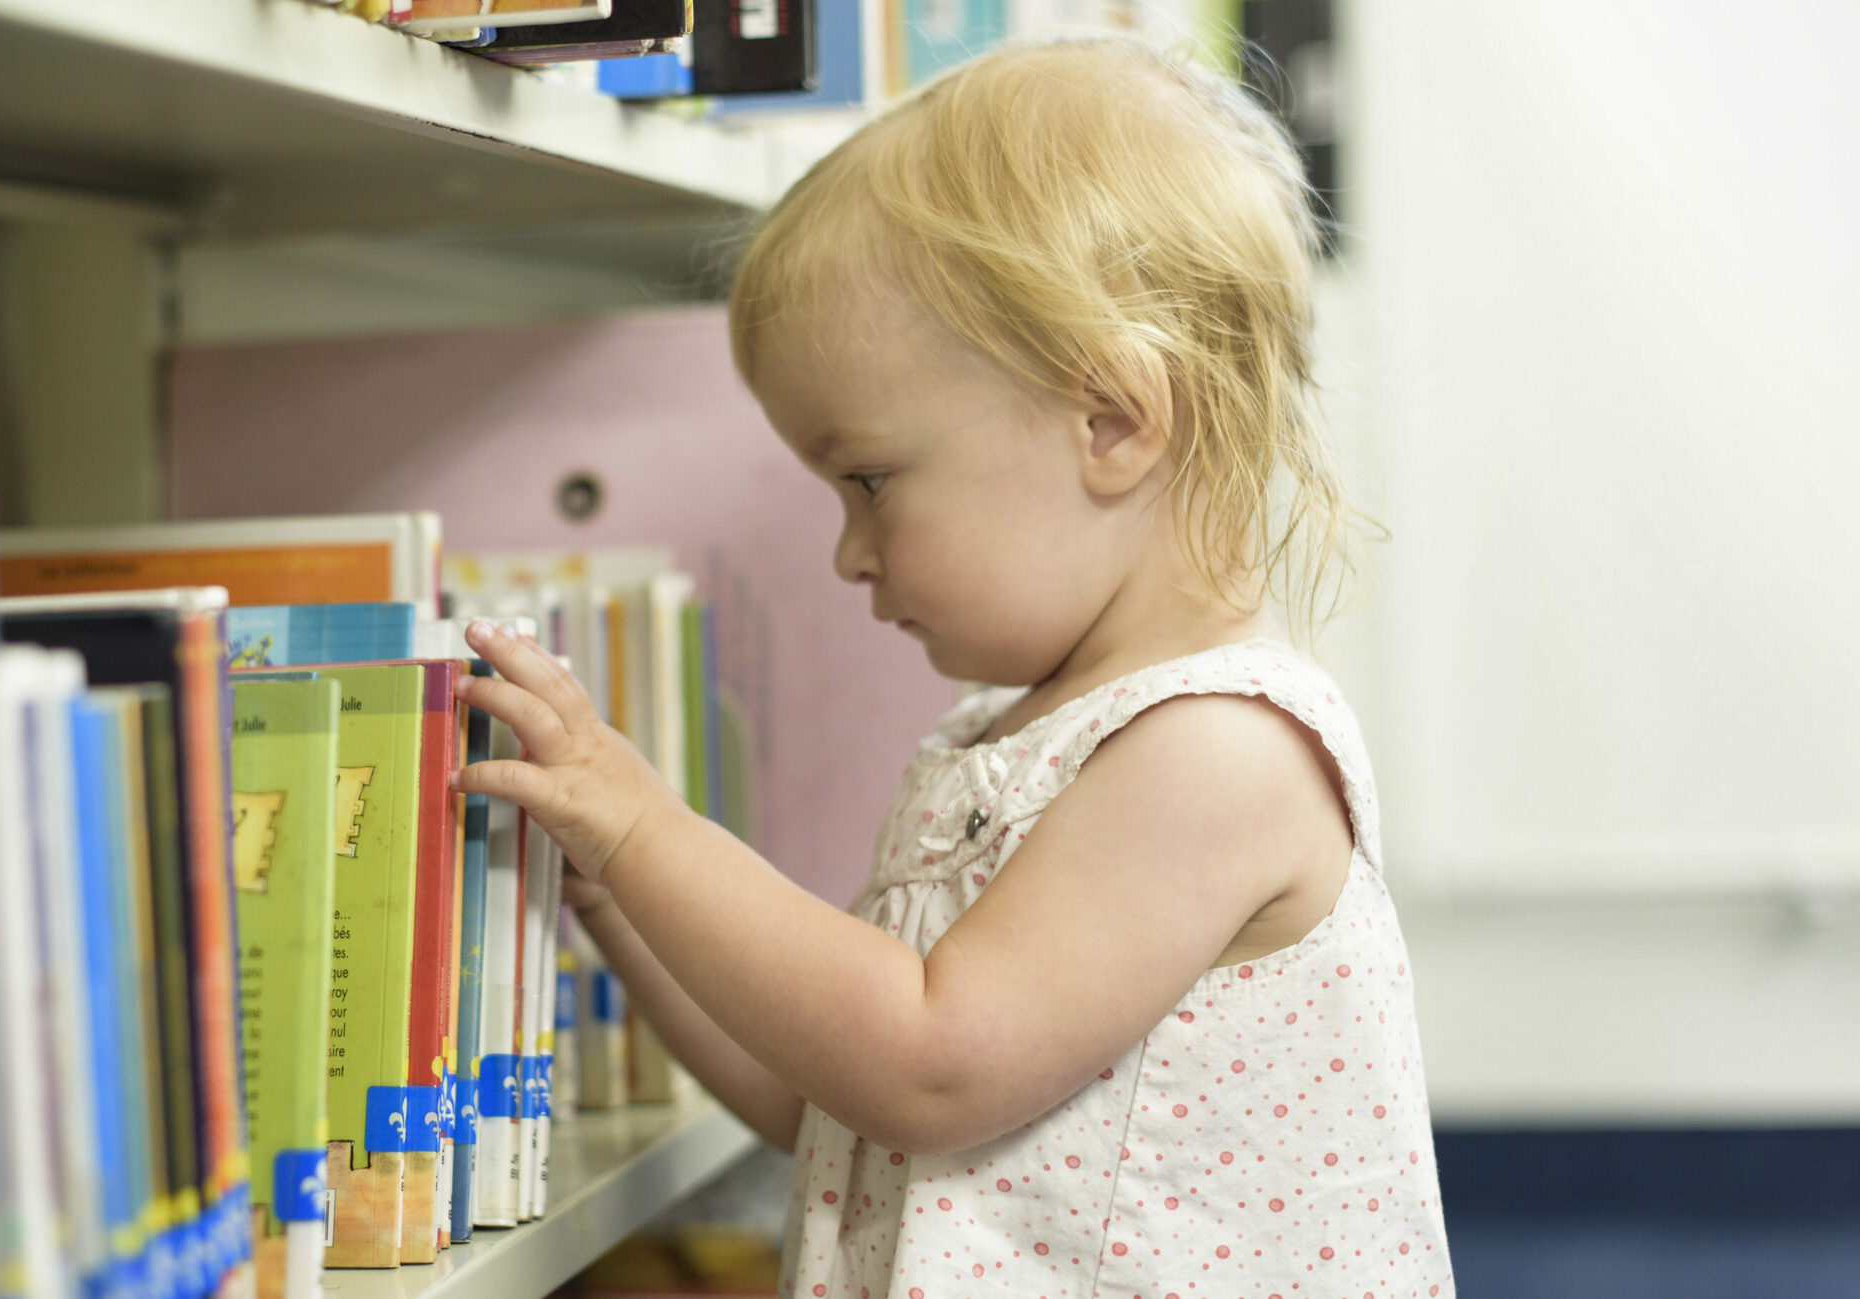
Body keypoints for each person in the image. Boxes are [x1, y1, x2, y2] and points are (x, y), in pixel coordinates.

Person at [452, 34, 1453, 1299]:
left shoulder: (1216, 754)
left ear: (1112, 423)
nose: (847, 556)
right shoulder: (1000, 742)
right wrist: (622, 896)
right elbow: (833, 1095)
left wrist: (646, 827)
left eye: (868, 482)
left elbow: (928, 1065)